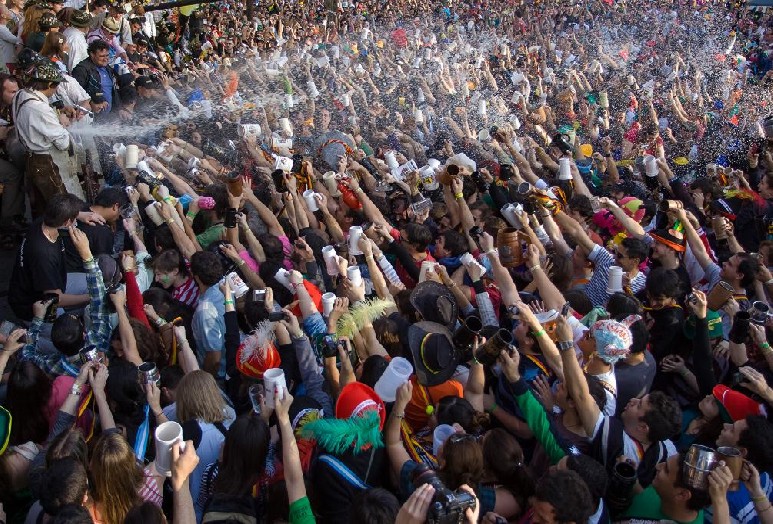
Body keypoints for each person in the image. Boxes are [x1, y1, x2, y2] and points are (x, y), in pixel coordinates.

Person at [8, 193, 89, 321]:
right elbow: (56, 299)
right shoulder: (44, 255)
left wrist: (81, 215)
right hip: (36, 306)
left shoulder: (43, 221)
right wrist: (90, 297)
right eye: (74, 218)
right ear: (67, 222)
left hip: (55, 282)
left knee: (92, 281)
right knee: (69, 326)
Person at [11, 59, 72, 216]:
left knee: (42, 209)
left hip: (30, 159)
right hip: (44, 163)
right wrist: (62, 123)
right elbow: (63, 143)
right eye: (56, 86)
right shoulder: (40, 108)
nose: (56, 90)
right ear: (50, 84)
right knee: (61, 210)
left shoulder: (21, 94)